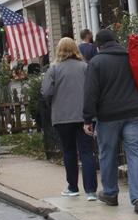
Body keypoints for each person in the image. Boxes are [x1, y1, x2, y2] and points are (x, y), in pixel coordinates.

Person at [82, 28, 138, 214]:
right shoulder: (130, 58)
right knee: (135, 154)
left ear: (98, 45)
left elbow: (90, 93)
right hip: (133, 112)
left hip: (108, 115)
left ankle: (110, 193)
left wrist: (87, 118)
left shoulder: (95, 63)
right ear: (115, 41)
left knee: (108, 154)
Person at [42, 37, 98, 199]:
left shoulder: (53, 69)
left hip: (62, 116)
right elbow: (93, 89)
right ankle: (91, 191)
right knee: (87, 152)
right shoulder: (85, 67)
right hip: (84, 116)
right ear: (75, 49)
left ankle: (72, 187)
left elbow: (46, 92)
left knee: (69, 151)